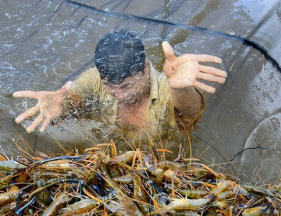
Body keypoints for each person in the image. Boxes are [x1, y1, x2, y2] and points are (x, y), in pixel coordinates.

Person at [14, 31, 227, 141]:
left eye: (127, 86)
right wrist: (61, 105)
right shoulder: (94, 79)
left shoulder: (165, 87)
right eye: (110, 87)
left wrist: (181, 87)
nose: (120, 95)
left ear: (145, 68)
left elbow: (190, 113)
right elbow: (75, 100)